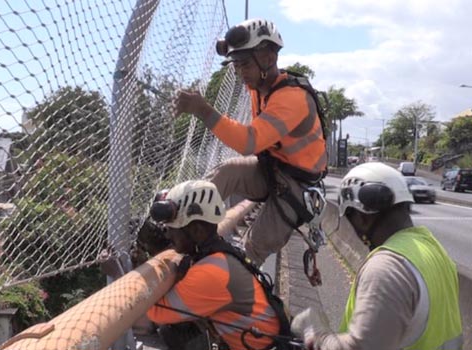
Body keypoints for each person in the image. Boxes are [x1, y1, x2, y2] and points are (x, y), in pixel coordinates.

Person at [174, 18, 327, 266]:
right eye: (236, 65)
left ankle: (234, 290)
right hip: (273, 171)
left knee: (251, 250)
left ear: (268, 58)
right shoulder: (257, 87)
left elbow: (250, 142)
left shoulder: (292, 97)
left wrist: (203, 110)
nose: (240, 72)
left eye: (244, 64)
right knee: (227, 172)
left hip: (297, 188)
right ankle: (183, 229)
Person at [291, 162, 463, 349]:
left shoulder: (386, 268)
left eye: (350, 219)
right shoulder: (434, 250)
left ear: (362, 217)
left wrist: (317, 333)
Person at [146, 180, 291, 350]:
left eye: (172, 228)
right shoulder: (218, 255)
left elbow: (156, 313)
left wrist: (126, 270)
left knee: (172, 332)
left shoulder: (210, 273)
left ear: (197, 230)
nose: (167, 234)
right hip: (268, 343)